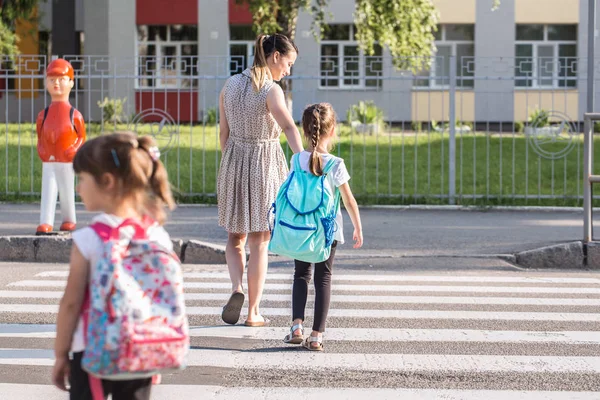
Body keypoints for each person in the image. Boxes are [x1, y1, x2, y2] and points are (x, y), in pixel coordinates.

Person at [51, 132, 176, 400]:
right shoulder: (157, 236)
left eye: (81, 179)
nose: (77, 188)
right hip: (141, 346)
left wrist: (61, 353)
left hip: (91, 350)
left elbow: (71, 303)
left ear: (106, 182)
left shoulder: (90, 239)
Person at [217, 33, 304, 327]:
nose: (288, 70)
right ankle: (253, 312)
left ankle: (236, 288)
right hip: (263, 164)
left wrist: (232, 161)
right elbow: (290, 128)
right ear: (275, 56)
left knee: (234, 237)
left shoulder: (229, 85)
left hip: (232, 161)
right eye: (288, 63)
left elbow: (223, 135)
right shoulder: (270, 89)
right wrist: (303, 160)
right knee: (260, 242)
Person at [283, 103, 363, 351]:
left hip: (302, 228)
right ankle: (316, 335)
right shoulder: (335, 163)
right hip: (327, 230)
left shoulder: (297, 159)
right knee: (323, 279)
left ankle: (296, 326)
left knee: (300, 275)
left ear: (305, 132)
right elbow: (348, 200)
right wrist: (358, 227)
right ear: (332, 131)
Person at [36, 58, 86, 234]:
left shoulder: (75, 115)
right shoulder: (43, 114)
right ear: (46, 83)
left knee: (66, 190)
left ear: (71, 83)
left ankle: (69, 219)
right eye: (52, 79)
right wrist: (42, 150)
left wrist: (74, 148)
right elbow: (40, 136)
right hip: (49, 160)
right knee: (48, 190)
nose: (56, 83)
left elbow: (81, 137)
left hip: (67, 159)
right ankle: (45, 221)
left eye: (61, 79)